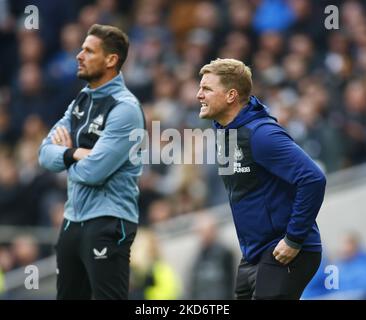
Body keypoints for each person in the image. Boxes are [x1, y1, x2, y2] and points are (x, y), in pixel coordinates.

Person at [196, 58, 326, 300]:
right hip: (254, 255)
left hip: (283, 250)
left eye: (207, 89)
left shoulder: (262, 134)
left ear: (231, 95)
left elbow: (313, 179)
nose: (198, 95)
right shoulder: (225, 131)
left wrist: (294, 239)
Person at [39, 24, 145, 300]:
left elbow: (94, 171)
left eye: (88, 50)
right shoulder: (81, 101)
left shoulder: (125, 108)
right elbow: (44, 154)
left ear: (111, 60)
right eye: (81, 49)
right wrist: (73, 153)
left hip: (108, 221)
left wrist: (66, 156)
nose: (79, 55)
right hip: (72, 220)